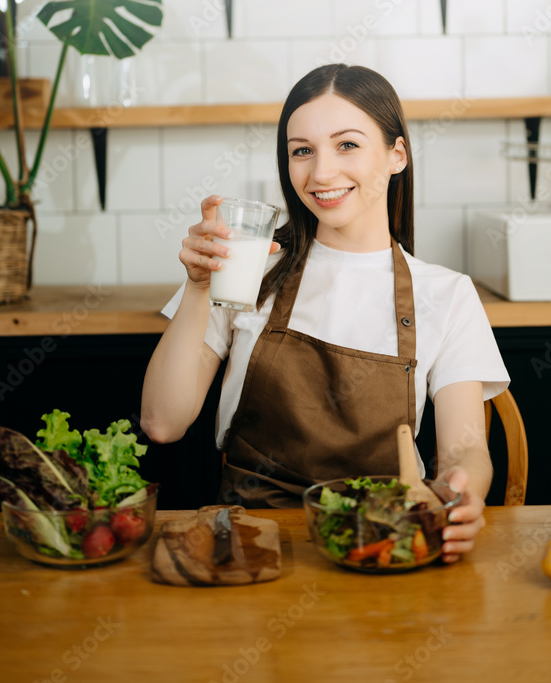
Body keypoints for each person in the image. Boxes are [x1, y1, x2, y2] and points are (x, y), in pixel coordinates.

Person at [141, 64, 510, 563]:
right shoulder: (248, 267)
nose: (321, 173)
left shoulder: (446, 295)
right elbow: (163, 422)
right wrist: (197, 287)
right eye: (302, 151)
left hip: (380, 544)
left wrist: (462, 489)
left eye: (348, 145)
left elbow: (463, 451)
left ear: (396, 155)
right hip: (252, 547)